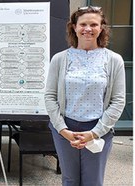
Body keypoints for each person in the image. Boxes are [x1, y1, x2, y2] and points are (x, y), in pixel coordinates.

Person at [45, 6, 126, 186]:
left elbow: (118, 100)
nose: (87, 29)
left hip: (98, 128)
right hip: (65, 128)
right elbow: (50, 96)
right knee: (69, 179)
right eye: (83, 24)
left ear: (101, 28)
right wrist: (62, 129)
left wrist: (94, 133)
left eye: (93, 24)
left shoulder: (114, 60)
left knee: (93, 181)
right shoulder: (60, 59)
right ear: (74, 27)